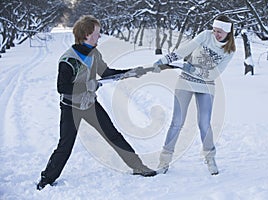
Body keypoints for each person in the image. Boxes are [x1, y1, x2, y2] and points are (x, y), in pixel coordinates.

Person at [37, 15, 156, 190]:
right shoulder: (69, 60)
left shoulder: (94, 53)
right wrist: (87, 85)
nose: (99, 36)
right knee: (65, 145)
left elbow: (106, 73)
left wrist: (130, 72)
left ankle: (138, 167)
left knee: (113, 135)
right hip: (71, 108)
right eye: (97, 33)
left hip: (90, 104)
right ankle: (46, 179)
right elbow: (62, 87)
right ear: (86, 34)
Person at [153, 15, 236, 175]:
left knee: (204, 123)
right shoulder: (206, 35)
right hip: (185, 81)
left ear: (228, 32)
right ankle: (164, 161)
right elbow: (184, 50)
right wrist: (164, 60)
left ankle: (210, 158)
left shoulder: (230, 50)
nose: (216, 34)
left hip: (206, 85)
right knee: (177, 121)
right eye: (214, 30)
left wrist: (193, 69)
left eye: (220, 32)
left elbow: (214, 73)